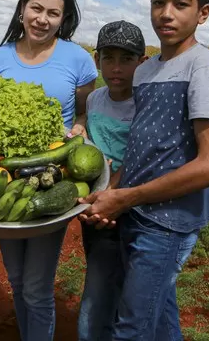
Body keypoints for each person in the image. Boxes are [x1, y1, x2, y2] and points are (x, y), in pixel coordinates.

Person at [79, 0, 209, 340]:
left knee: (132, 327)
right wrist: (113, 191)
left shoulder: (202, 67)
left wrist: (127, 196)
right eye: (158, 2)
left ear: (203, 13)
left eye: (181, 4)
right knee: (160, 317)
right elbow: (140, 149)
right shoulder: (146, 72)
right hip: (137, 212)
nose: (166, 14)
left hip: (169, 221)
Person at [0, 0, 97, 341]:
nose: (42, 19)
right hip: (7, 178)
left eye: (53, 13)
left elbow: (84, 113)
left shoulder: (78, 59)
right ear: (21, 9)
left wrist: (79, 127)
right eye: (36, 8)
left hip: (53, 177)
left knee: (36, 285)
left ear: (64, 19)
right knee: (16, 280)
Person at [77, 21, 147, 341]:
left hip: (131, 209)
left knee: (131, 290)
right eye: (109, 58)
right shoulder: (94, 100)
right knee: (99, 279)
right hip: (96, 211)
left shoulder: (147, 104)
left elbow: (141, 155)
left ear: (142, 62)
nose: (116, 68)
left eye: (127, 59)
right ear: (97, 60)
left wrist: (112, 192)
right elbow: (90, 148)